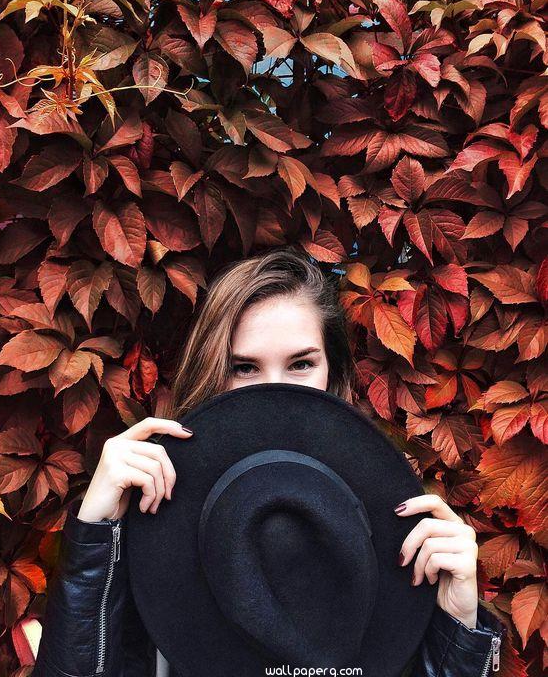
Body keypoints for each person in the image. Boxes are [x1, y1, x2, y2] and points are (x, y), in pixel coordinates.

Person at [31, 245, 505, 677]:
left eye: (300, 364)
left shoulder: (396, 525)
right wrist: (94, 540)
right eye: (244, 367)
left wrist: (458, 629)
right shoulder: (153, 517)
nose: (275, 391)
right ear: (212, 372)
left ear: (333, 373)